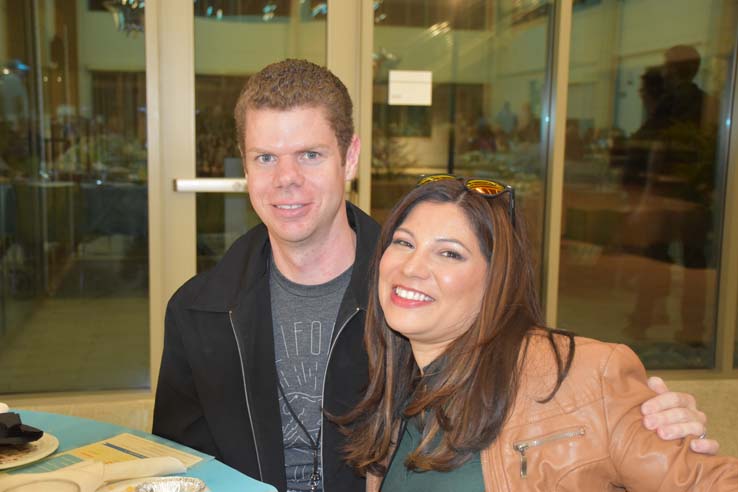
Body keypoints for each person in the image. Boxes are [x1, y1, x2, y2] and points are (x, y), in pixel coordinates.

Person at [152, 59, 718, 492]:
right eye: (265, 158)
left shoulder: (413, 298)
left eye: (310, 155)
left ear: (349, 158)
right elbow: (177, 467)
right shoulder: (199, 312)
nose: (286, 181)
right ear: (243, 167)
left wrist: (637, 421)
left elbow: (539, 378)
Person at [340, 177, 737, 491]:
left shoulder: (581, 377)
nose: (411, 267)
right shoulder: (396, 393)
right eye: (404, 243)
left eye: (449, 253)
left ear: (497, 279)